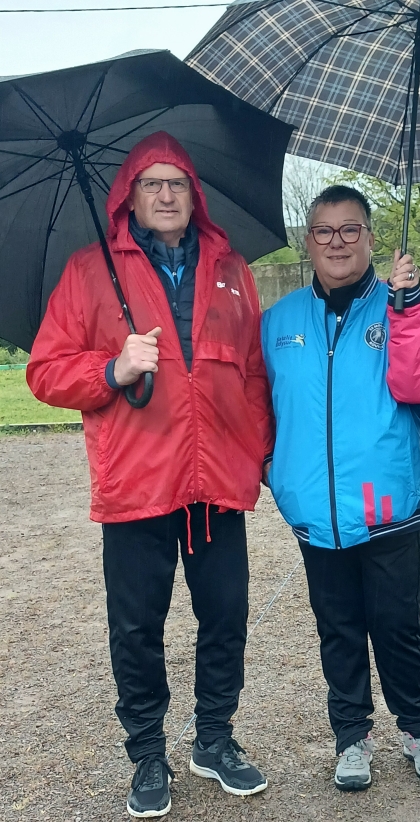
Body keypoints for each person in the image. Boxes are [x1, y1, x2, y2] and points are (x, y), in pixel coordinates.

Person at [27, 132, 273, 819]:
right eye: (151, 184)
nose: (166, 195)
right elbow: (44, 371)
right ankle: (146, 752)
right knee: (137, 628)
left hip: (216, 484)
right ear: (127, 197)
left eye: (177, 184)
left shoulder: (231, 270)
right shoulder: (89, 271)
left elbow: (252, 375)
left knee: (225, 618)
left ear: (195, 196)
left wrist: (253, 454)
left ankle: (215, 740)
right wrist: (112, 368)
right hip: (138, 486)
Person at [261, 185, 420, 791]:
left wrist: (412, 306)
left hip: (387, 504)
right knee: (337, 624)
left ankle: (418, 725)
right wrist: (276, 470)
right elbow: (259, 406)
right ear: (307, 241)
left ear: (371, 238)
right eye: (324, 230)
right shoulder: (279, 321)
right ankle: (350, 734)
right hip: (315, 509)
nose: (337, 242)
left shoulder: (400, 306)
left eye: (350, 230)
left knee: (397, 624)